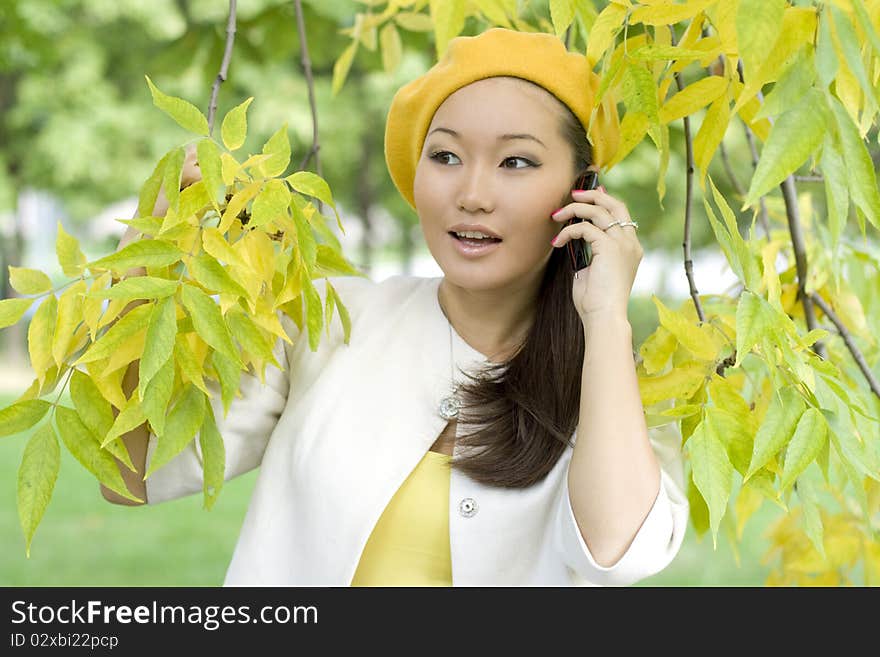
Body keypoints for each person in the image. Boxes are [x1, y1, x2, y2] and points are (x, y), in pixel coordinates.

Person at [102, 27, 689, 586]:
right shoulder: (331, 320)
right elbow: (130, 473)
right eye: (446, 156)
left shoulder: (618, 384)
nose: (472, 195)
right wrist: (150, 240)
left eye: (516, 162)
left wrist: (606, 316)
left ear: (582, 193)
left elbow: (617, 554)